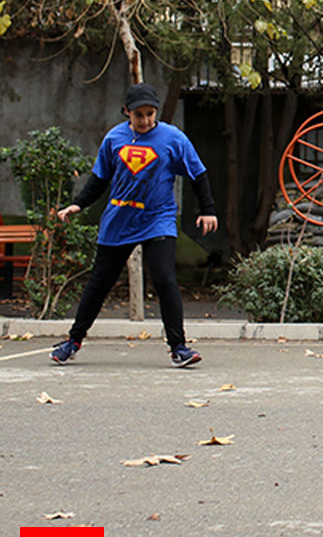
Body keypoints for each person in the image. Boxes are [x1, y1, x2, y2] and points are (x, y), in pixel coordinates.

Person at [50, 84, 218, 368]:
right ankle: (73, 341)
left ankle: (179, 347)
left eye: (150, 114)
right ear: (127, 112)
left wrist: (208, 210)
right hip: (119, 220)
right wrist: (78, 203)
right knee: (99, 284)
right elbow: (99, 179)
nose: (145, 120)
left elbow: (197, 173)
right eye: (138, 115)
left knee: (165, 280)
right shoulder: (114, 138)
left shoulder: (172, 138)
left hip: (158, 219)